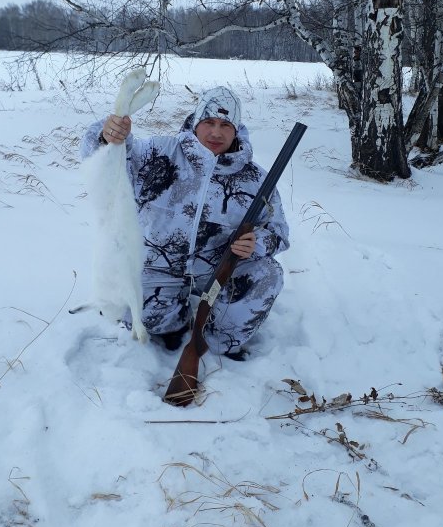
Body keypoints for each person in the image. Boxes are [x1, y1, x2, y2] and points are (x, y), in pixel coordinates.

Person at [80, 85, 289, 391]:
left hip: (217, 272)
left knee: (268, 274)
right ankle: (173, 324)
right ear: (195, 123)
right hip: (158, 268)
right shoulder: (161, 152)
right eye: (209, 123)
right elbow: (111, 158)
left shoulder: (255, 179)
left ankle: (217, 341)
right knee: (144, 320)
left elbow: (279, 233)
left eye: (225, 125)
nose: (216, 132)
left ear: (237, 130)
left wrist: (258, 243)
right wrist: (107, 135)